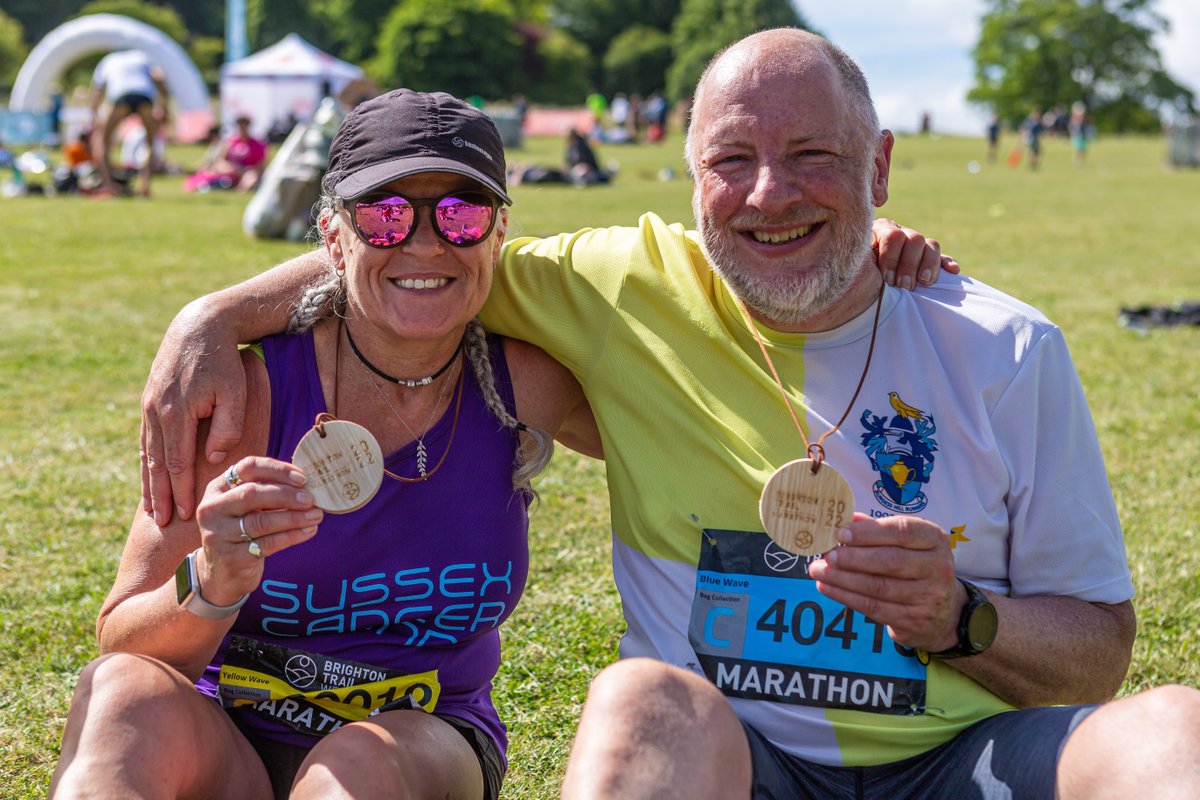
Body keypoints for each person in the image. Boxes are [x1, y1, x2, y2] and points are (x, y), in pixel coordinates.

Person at [138, 28, 1200, 799]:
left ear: (879, 165)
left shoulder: (1007, 349)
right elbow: (409, 264)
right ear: (692, 180)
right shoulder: (621, 285)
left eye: (816, 158)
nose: (770, 193)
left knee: (1177, 732)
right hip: (733, 754)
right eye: (733, 161)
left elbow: (1099, 653)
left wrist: (962, 615)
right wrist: (211, 313)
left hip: (965, 765)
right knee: (639, 695)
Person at [49, 89, 599, 800]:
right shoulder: (245, 392)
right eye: (384, 215)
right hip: (226, 741)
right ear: (334, 237)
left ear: (498, 234)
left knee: (359, 773)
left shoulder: (523, 387)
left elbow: (676, 436)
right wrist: (213, 581)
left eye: (462, 214)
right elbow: (127, 644)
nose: (426, 242)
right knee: (120, 694)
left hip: (419, 741)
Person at [89, 49, 170, 197]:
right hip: (145, 97)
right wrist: (164, 106)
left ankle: (108, 185)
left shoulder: (108, 60)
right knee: (150, 144)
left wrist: (95, 115)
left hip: (121, 97)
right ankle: (145, 186)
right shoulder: (143, 57)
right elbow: (159, 78)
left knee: (102, 141)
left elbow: (97, 91)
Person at [184, 115, 268, 193]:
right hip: (230, 170)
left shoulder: (258, 144)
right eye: (240, 126)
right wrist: (230, 168)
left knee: (250, 178)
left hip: (248, 171)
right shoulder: (231, 142)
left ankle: (239, 191)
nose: (242, 129)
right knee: (210, 173)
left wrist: (243, 170)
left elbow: (260, 165)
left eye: (244, 126)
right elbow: (221, 159)